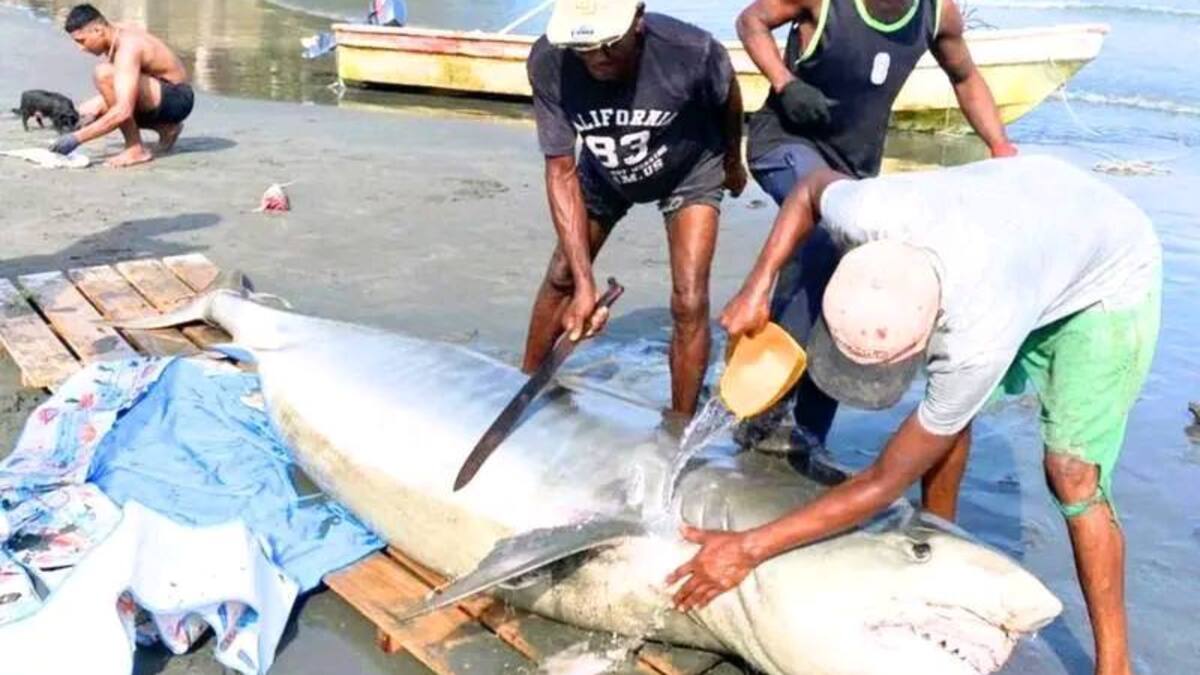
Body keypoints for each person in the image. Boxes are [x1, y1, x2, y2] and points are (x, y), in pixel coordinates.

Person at [669, 155, 1161, 675]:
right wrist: (758, 285)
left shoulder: (977, 336)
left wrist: (748, 548)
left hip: (1107, 271)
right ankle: (936, 532)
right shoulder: (867, 211)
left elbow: (884, 480)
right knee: (951, 414)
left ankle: (1115, 662)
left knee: (1071, 473)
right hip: (1026, 215)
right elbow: (811, 188)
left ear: (932, 325)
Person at [734, 0, 1017, 451]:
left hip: (856, 170)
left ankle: (808, 431)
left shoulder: (938, 13)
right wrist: (785, 83)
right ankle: (765, 402)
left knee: (841, 272)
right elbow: (751, 20)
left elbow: (964, 77)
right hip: (785, 143)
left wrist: (1001, 147)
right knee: (825, 227)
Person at [523, 0, 746, 417]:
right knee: (563, 275)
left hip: (690, 168)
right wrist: (586, 285)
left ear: (637, 20)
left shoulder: (692, 52)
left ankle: (678, 422)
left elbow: (729, 97)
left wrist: (733, 162)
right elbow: (560, 170)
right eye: (584, 47)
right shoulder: (548, 61)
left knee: (689, 299)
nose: (597, 58)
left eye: (610, 45)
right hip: (606, 167)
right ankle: (521, 384)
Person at [49, 4, 194, 168]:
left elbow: (123, 111)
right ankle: (166, 129)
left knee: (104, 75)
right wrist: (93, 110)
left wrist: (76, 138)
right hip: (160, 92)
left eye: (82, 41)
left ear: (98, 30)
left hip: (177, 97)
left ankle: (135, 148)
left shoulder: (128, 48)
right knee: (88, 109)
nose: (81, 48)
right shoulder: (114, 32)